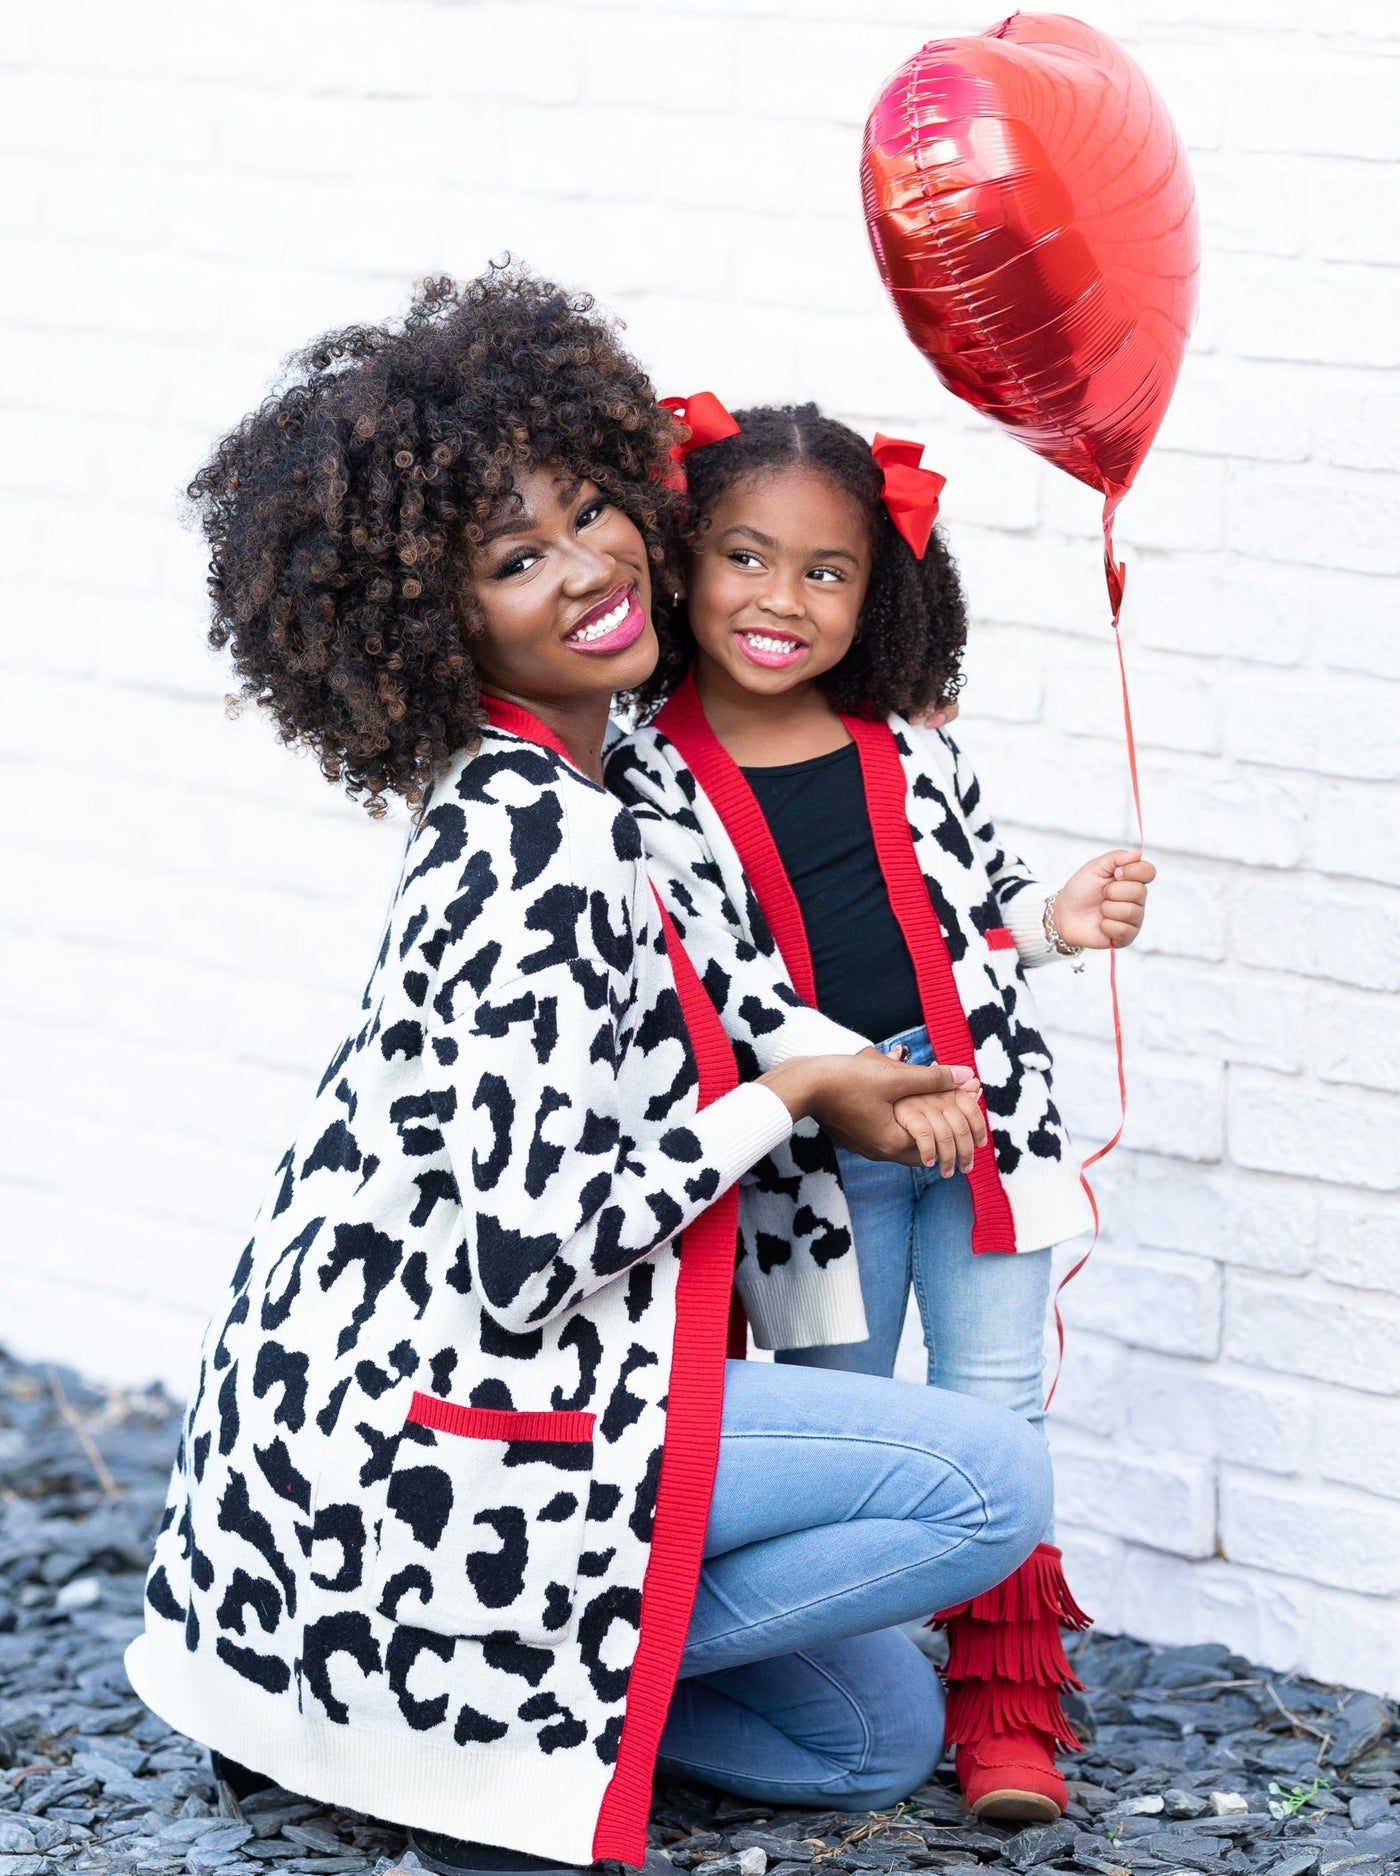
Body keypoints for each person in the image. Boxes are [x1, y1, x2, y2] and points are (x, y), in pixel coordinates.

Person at [124, 275, 1055, 1876]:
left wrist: (829, 1052)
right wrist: (790, 1102)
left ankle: (401, 1697)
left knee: (868, 1741)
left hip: (402, 1430)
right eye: (513, 560)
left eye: (589, 514)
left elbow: (733, 981)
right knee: (990, 1484)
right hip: (446, 1433)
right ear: (430, 622)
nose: (588, 570)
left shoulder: (567, 781)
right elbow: (533, 1254)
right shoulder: (538, 843)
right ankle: (435, 1698)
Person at [607, 401, 1156, 1823]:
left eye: (826, 571)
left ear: (879, 594)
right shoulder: (645, 774)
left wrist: (1056, 920)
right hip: (813, 1165)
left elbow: (973, 912)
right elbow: (724, 991)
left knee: (999, 1410)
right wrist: (858, 1084)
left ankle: (1006, 1721)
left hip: (982, 1116)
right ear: (681, 562)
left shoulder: (910, 746)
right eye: (744, 557)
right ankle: (796, 1676)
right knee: (845, 1432)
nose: (780, 599)